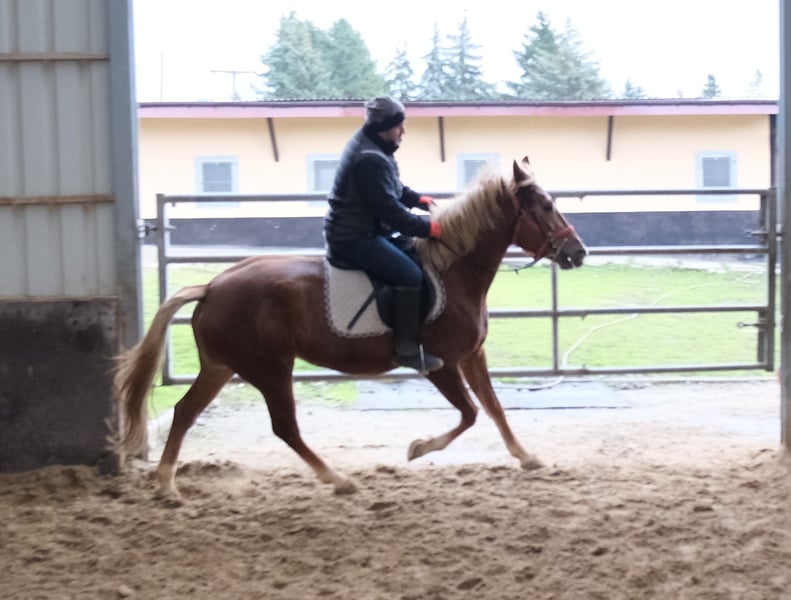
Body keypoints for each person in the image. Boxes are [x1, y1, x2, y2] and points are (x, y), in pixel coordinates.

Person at [324, 96, 444, 373]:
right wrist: (429, 228)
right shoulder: (369, 159)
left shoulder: (375, 146)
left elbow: (393, 188)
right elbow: (389, 210)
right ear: (384, 127)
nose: (403, 131)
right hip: (353, 238)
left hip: (366, 230)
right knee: (409, 274)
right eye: (399, 126)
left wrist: (419, 200)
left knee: (415, 255)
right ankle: (406, 350)